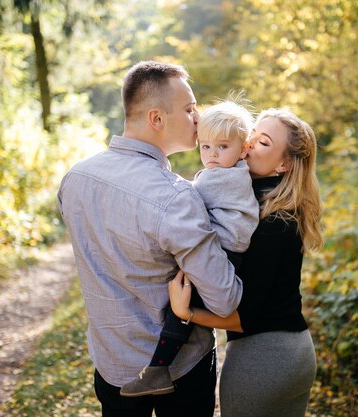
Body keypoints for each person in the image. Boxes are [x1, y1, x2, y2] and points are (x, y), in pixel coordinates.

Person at [57, 61, 243, 417]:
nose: (198, 117)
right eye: (189, 109)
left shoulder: (75, 178)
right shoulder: (176, 198)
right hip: (181, 371)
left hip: (111, 364)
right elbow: (225, 298)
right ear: (157, 118)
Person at [169, 108, 323, 417]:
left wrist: (185, 312)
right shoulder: (256, 205)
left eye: (263, 142)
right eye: (252, 135)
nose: (250, 144)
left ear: (284, 163)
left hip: (265, 358)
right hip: (288, 354)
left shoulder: (274, 223)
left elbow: (245, 317)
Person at [120, 99, 259, 396]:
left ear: (244, 147)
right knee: (182, 300)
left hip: (226, 249)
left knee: (179, 305)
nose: (212, 155)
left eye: (223, 147)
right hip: (226, 244)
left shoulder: (225, 177)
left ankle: (158, 369)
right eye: (206, 146)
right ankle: (160, 367)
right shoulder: (233, 172)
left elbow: (186, 198)